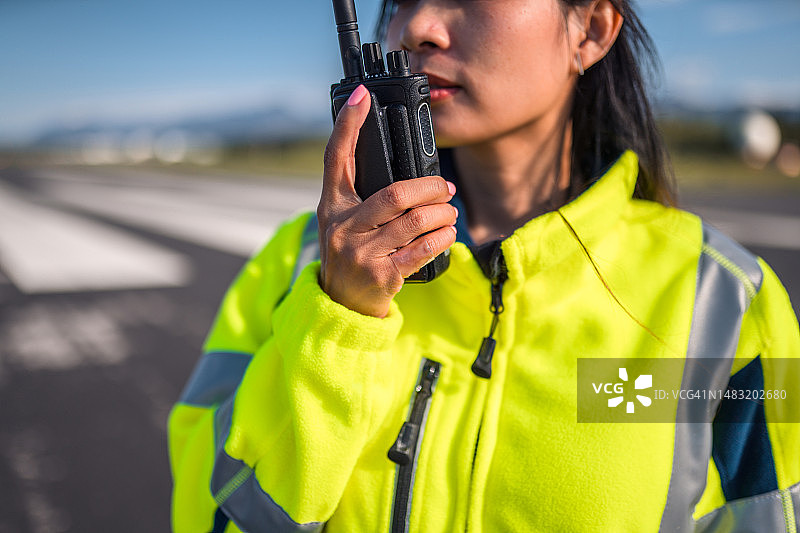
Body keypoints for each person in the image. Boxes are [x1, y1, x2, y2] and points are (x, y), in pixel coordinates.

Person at [168, 0, 800, 531]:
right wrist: (337, 323)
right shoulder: (300, 263)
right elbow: (204, 514)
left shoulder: (725, 298)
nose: (417, 27)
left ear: (592, 30)